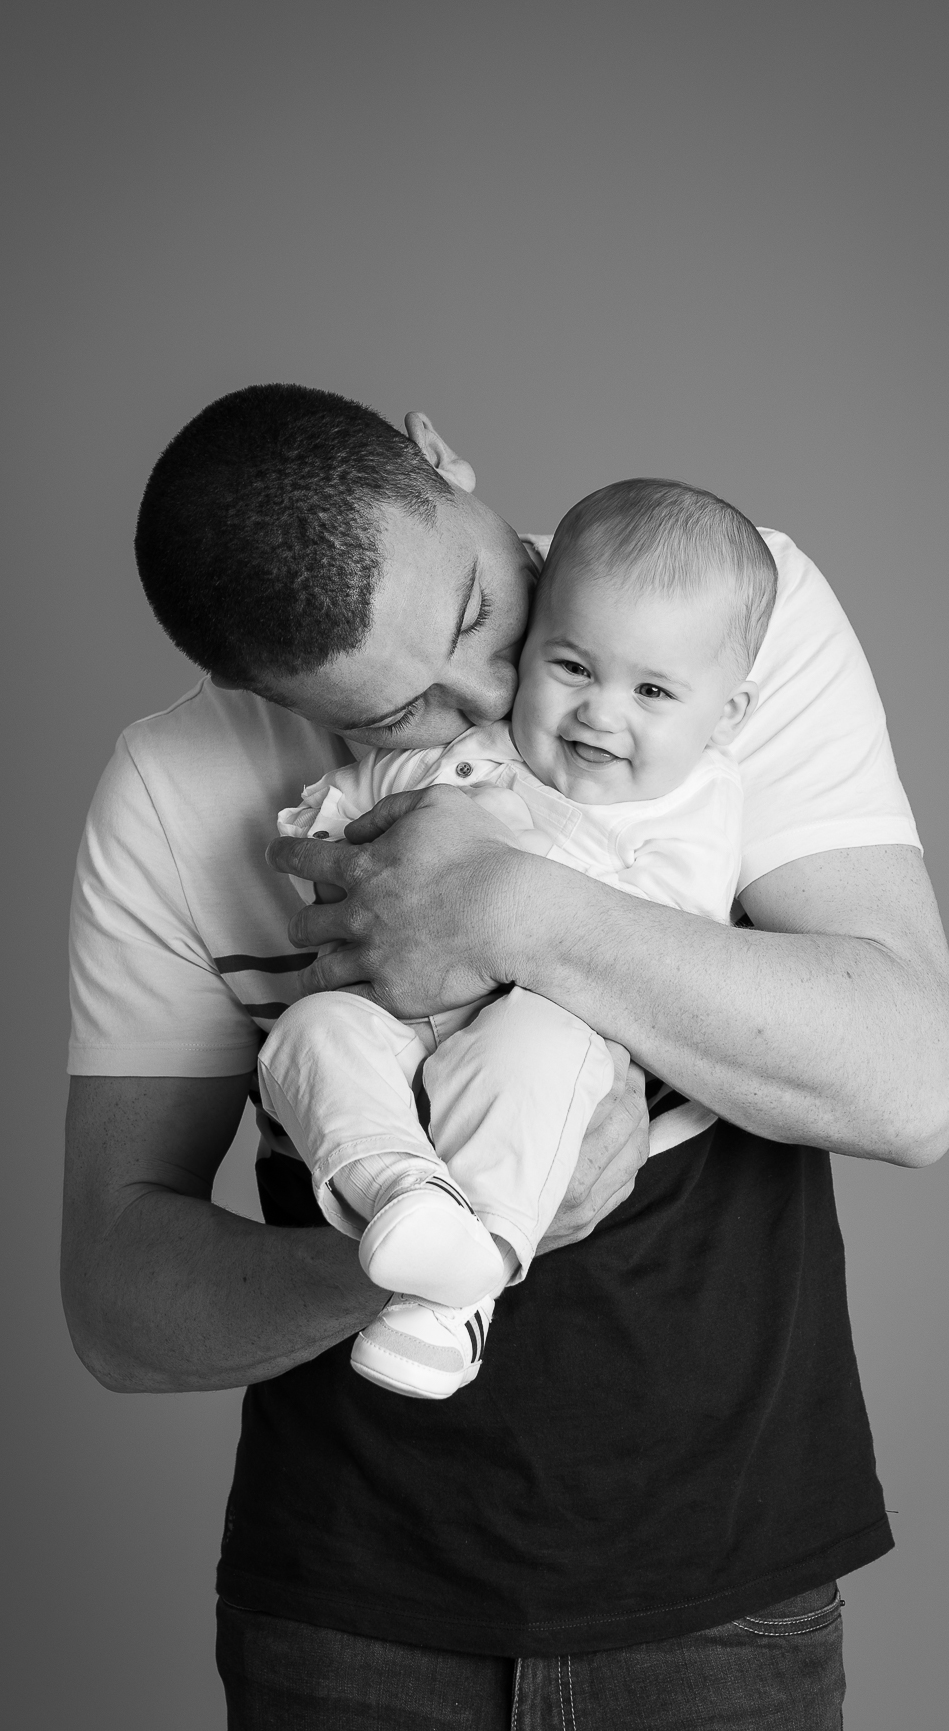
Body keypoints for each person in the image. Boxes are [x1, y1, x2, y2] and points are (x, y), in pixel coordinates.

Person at [62, 384, 949, 1728]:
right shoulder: (171, 785)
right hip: (347, 1605)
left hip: (719, 1583)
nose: (490, 697)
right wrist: (404, 1250)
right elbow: (117, 1303)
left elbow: (912, 1081)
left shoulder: (708, 614)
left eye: (478, 618)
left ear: (441, 462)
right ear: (253, 695)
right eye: (392, 716)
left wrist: (498, 907)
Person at [257, 477, 776, 1400]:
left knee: (528, 1059)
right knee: (307, 1038)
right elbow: (372, 808)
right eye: (572, 668)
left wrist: (495, 871)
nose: (600, 713)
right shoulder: (478, 746)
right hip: (403, 1013)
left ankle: (460, 1286)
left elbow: (655, 936)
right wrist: (332, 830)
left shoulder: (697, 801)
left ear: (723, 714)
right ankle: (404, 1193)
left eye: (653, 690)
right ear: (529, 647)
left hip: (546, 1024)